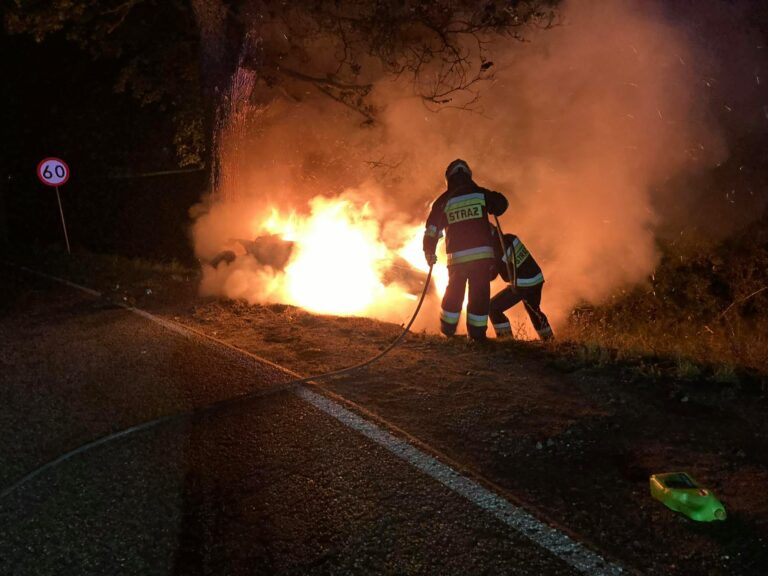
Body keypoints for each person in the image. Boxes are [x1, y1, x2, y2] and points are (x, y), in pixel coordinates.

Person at [423, 159, 508, 341]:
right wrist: (496, 201)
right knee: (479, 295)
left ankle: (448, 330)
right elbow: (501, 204)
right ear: (469, 175)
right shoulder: (479, 193)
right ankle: (476, 336)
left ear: (449, 178)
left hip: (458, 260)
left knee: (454, 293)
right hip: (482, 259)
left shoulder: (444, 201)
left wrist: (429, 251)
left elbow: (432, 230)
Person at [489, 226, 553, 341]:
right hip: (537, 279)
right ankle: (549, 340)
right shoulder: (510, 238)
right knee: (534, 311)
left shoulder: (497, 249)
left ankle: (506, 340)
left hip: (523, 283)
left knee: (493, 308)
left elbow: (504, 277)